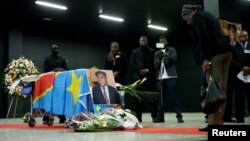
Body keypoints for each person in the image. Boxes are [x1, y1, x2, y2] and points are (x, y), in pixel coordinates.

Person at [181, 4, 232, 131]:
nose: (188, 23)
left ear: (190, 13)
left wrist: (205, 58)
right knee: (222, 91)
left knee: (213, 91)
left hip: (215, 54)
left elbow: (203, 38)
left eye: (187, 19)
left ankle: (212, 124)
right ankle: (218, 124)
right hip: (227, 52)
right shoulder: (206, 15)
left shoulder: (198, 17)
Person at [153, 36, 184, 123]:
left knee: (174, 96)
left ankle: (179, 115)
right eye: (160, 42)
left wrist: (166, 55)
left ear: (167, 42)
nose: (162, 43)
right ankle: (160, 117)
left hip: (170, 76)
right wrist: (158, 60)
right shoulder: (156, 53)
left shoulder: (171, 49)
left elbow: (174, 58)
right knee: (160, 98)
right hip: (160, 77)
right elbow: (155, 66)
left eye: (164, 42)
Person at [130, 35, 157, 122]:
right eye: (142, 40)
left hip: (149, 78)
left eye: (145, 40)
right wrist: (139, 71)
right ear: (139, 41)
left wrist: (147, 70)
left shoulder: (152, 51)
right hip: (137, 78)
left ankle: (154, 116)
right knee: (137, 99)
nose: (144, 41)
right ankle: (138, 117)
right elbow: (132, 64)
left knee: (151, 98)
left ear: (147, 41)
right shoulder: (134, 52)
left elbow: (154, 64)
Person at [43, 44, 68, 124]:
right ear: (51, 49)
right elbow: (45, 71)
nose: (56, 49)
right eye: (54, 48)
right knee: (49, 100)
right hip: (50, 83)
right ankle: (46, 118)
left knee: (60, 99)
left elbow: (67, 70)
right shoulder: (47, 59)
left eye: (57, 48)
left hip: (61, 83)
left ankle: (62, 117)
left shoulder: (62, 59)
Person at [224, 24, 242, 122]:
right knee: (228, 96)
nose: (231, 33)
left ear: (235, 32)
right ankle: (227, 116)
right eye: (229, 31)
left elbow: (240, 58)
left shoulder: (239, 44)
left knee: (238, 96)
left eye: (232, 31)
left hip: (238, 73)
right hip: (227, 73)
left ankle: (239, 117)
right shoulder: (224, 42)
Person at [234, 30, 250, 123]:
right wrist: (242, 68)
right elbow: (233, 59)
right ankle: (239, 118)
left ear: (247, 37)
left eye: (244, 36)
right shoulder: (235, 47)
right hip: (239, 75)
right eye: (240, 36)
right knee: (239, 97)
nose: (242, 38)